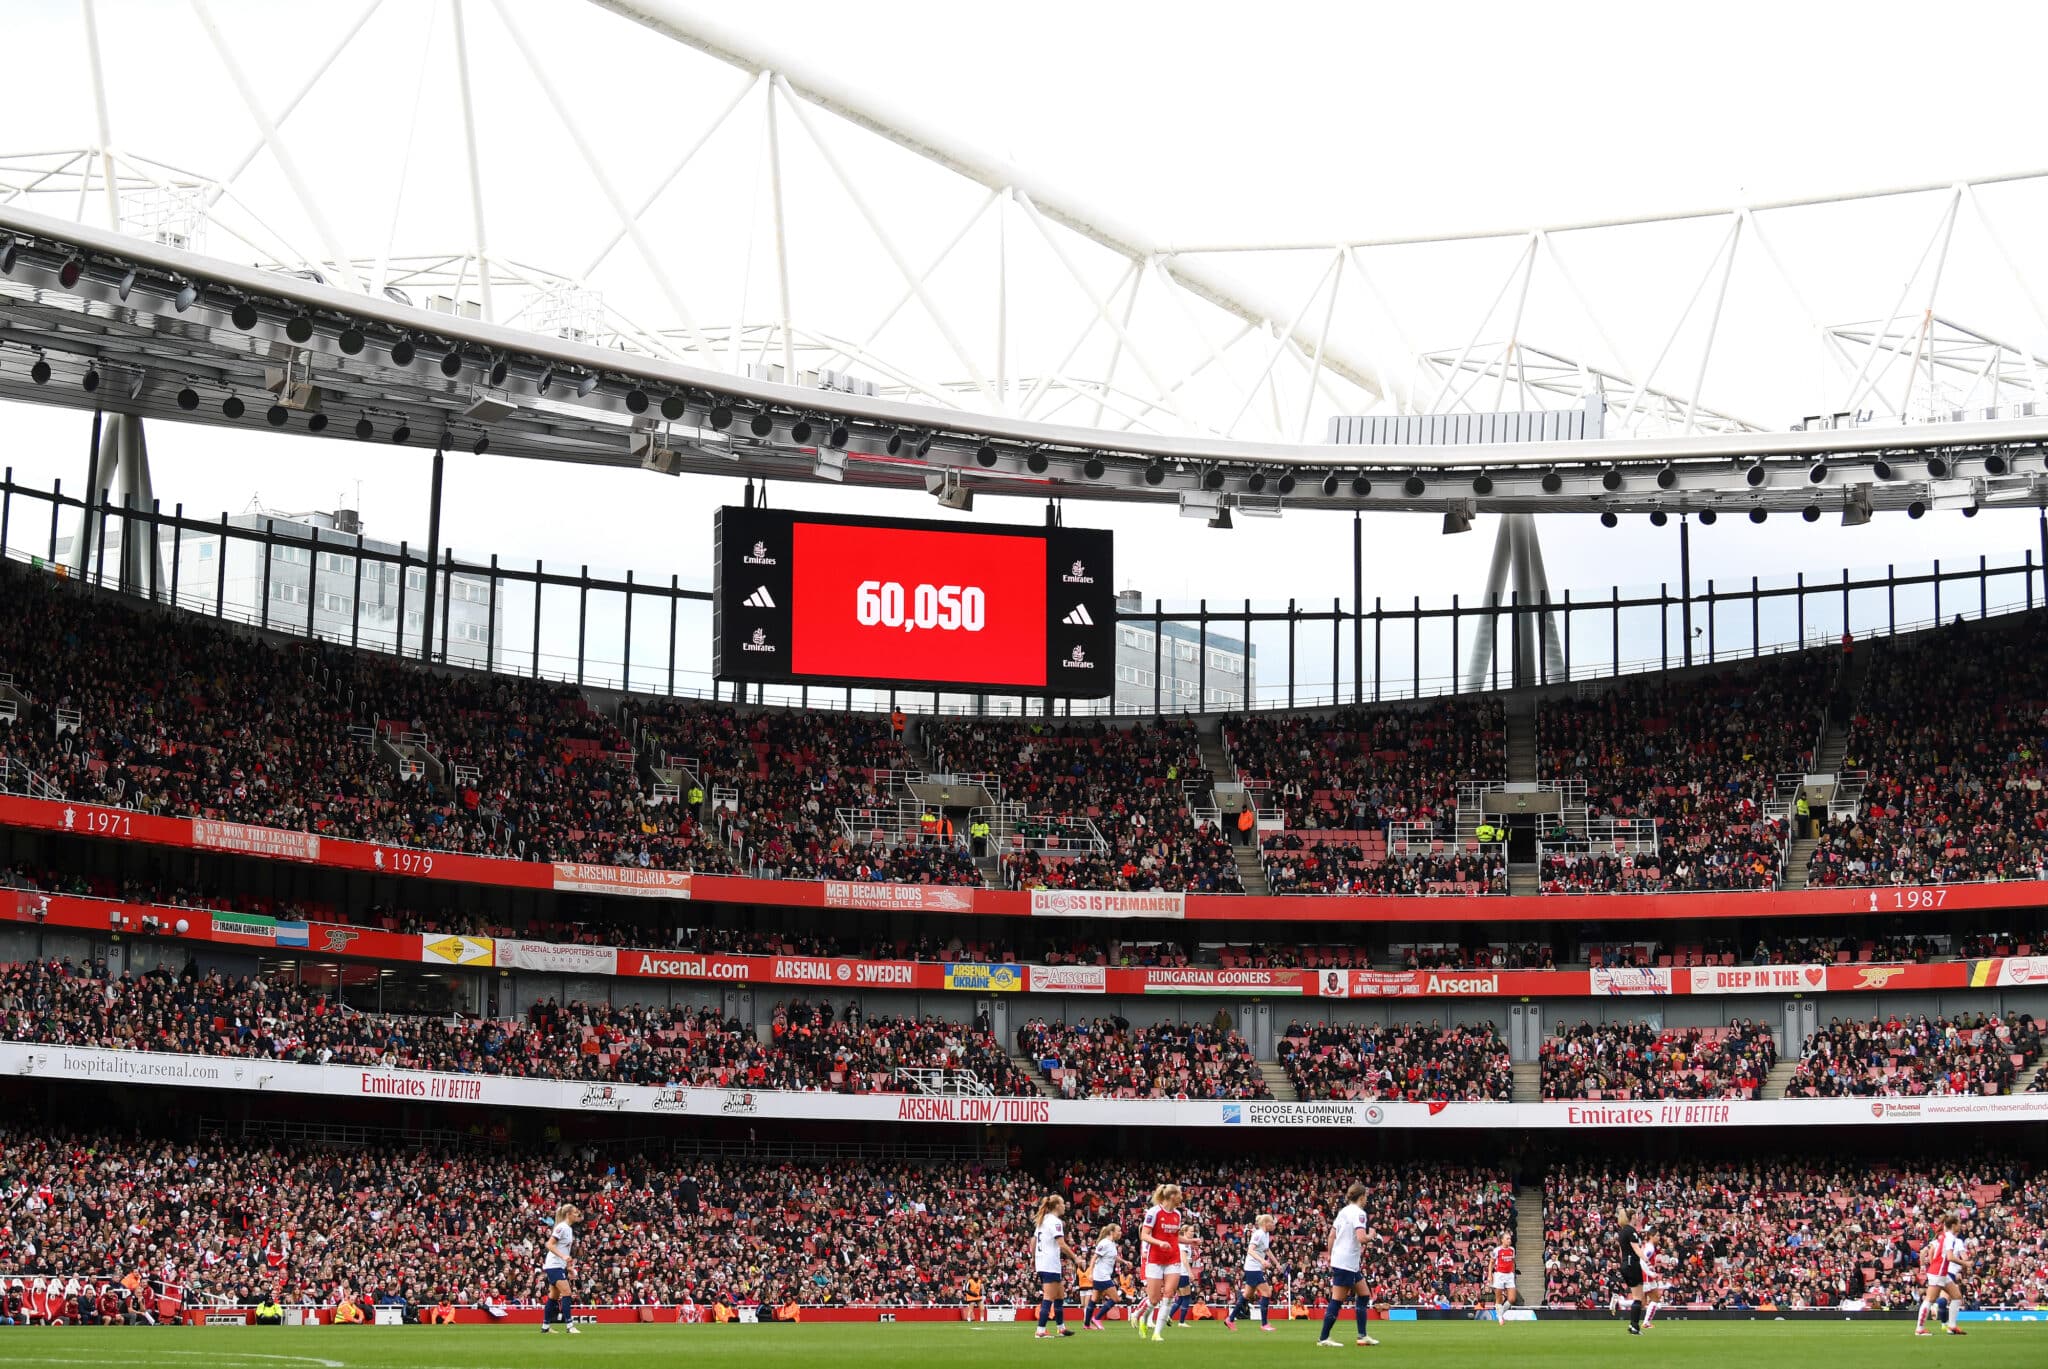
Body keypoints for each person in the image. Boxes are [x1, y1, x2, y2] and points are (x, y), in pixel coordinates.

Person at [1316, 1181, 1378, 1348]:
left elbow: (1331, 1236)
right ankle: (1323, 1338)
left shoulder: (1343, 1212)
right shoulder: (1359, 1213)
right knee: (1337, 1300)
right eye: (1366, 1196)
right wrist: (1371, 1234)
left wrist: (1330, 1255)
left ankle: (1362, 1336)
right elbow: (1361, 1238)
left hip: (1344, 1260)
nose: (1367, 1200)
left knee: (1364, 1294)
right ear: (1362, 1196)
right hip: (1347, 1262)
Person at [1138, 1183, 1184, 1342]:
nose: (1181, 1197)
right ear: (1172, 1196)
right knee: (1154, 1299)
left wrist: (1190, 1241)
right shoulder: (1154, 1212)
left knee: (1169, 1295)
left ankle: (1157, 1333)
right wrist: (1159, 1243)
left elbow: (1175, 1237)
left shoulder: (1178, 1214)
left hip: (1173, 1258)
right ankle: (1142, 1319)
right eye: (1179, 1194)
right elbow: (1144, 1235)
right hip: (1156, 1259)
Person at [1916, 1213, 1969, 1337]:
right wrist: (1965, 1263)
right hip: (1938, 1271)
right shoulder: (1950, 1238)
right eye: (1959, 1224)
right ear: (1954, 1225)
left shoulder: (1945, 1235)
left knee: (1957, 1297)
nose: (1960, 1226)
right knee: (1930, 1299)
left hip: (1942, 1272)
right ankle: (1920, 1328)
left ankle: (1952, 1327)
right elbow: (1950, 1257)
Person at [1032, 1195, 1078, 1339]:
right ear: (1057, 1206)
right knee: (1049, 1297)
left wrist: (1034, 1258)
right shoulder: (1055, 1221)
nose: (1065, 1206)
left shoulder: (1042, 1220)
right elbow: (1062, 1244)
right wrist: (1076, 1258)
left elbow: (1033, 1241)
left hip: (1044, 1262)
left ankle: (1061, 1328)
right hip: (1049, 1263)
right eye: (1063, 1203)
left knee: (1059, 1295)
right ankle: (1040, 1330)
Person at [1227, 1214, 1277, 1332]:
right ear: (1266, 1224)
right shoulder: (1258, 1234)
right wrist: (1262, 1261)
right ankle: (1264, 1324)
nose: (1274, 1225)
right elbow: (1250, 1250)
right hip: (1253, 1267)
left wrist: (1277, 1264)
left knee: (1247, 1295)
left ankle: (1230, 1319)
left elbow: (1266, 1250)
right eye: (1272, 1223)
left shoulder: (1266, 1234)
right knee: (1267, 1293)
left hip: (1254, 1268)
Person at [540, 1202, 583, 1336]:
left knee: (553, 1297)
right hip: (554, 1265)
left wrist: (568, 1267)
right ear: (568, 1214)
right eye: (575, 1212)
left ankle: (545, 1326)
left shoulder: (568, 1229)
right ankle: (569, 1325)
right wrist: (563, 1256)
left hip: (558, 1265)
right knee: (567, 1293)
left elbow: (563, 1248)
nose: (578, 1214)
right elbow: (549, 1244)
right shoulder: (562, 1227)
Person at [1615, 1207, 1649, 1336]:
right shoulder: (1631, 1231)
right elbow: (1636, 1248)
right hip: (1632, 1264)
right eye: (1636, 1216)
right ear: (1632, 1217)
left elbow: (1622, 1251)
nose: (1638, 1218)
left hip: (1625, 1264)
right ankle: (1634, 1326)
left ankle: (1633, 1324)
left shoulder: (1622, 1231)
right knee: (1638, 1298)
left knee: (1639, 1298)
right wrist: (1646, 1260)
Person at [1082, 1224, 1122, 1330]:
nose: (1120, 1233)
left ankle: (1086, 1324)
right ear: (1111, 1232)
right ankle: (1097, 1318)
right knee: (1116, 1299)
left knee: (1094, 1299)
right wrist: (1090, 1272)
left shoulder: (1111, 1243)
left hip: (1102, 1274)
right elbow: (1094, 1257)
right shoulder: (1104, 1243)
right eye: (1118, 1231)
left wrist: (1124, 1261)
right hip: (1101, 1275)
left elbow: (1114, 1256)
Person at [1489, 1229, 1516, 1324]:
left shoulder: (1512, 1250)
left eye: (1510, 1238)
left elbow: (1512, 1262)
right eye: (1507, 1238)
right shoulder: (1497, 1250)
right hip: (1499, 1275)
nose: (1509, 1240)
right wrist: (1490, 1276)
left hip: (1509, 1275)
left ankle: (1500, 1313)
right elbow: (1491, 1263)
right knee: (1499, 1298)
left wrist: (1513, 1273)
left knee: (1512, 1299)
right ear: (1502, 1240)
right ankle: (1500, 1318)